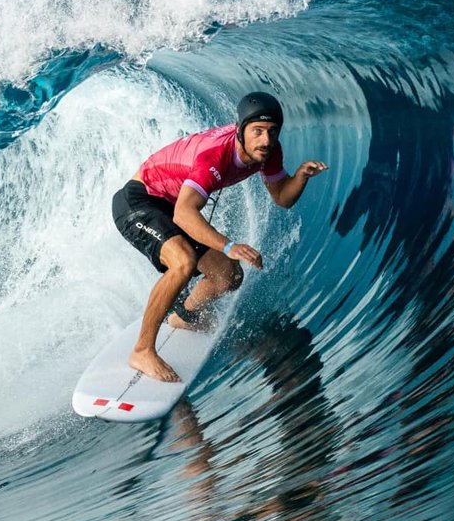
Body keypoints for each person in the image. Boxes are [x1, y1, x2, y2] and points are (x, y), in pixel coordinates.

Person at [112, 91, 328, 382]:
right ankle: (142, 351)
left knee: (227, 276)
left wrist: (300, 175)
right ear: (240, 130)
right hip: (140, 201)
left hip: (172, 204)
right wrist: (228, 245)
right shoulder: (214, 157)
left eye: (272, 132)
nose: (265, 139)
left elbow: (281, 197)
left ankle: (182, 318)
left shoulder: (269, 151)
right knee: (183, 262)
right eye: (258, 131)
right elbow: (184, 214)